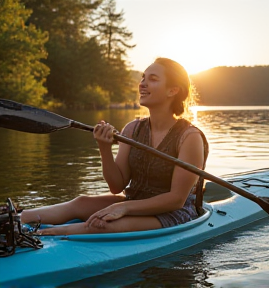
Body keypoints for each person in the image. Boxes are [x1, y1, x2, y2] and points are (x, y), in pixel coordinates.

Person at [20, 57, 209, 235]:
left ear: (172, 90)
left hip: (172, 213)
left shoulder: (189, 137)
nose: (142, 83)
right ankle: (16, 218)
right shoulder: (132, 129)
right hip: (133, 202)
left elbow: (176, 200)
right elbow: (116, 185)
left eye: (152, 79)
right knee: (81, 203)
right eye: (143, 77)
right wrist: (104, 148)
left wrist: (123, 207)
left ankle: (41, 235)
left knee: (101, 225)